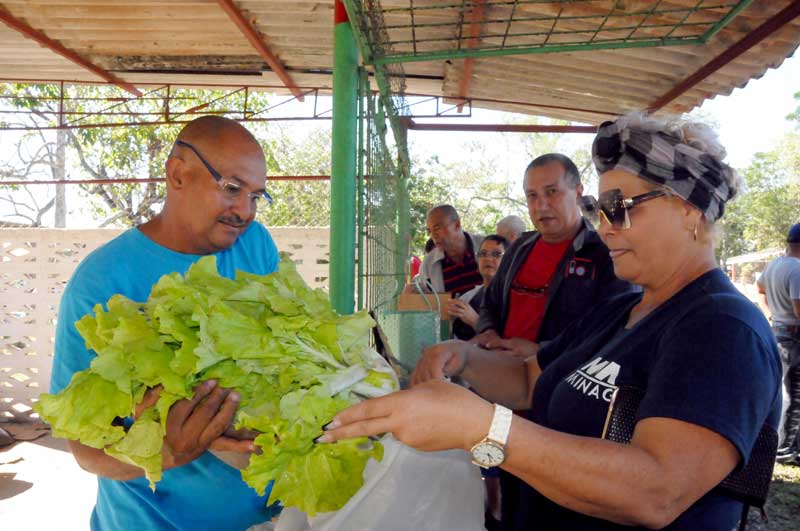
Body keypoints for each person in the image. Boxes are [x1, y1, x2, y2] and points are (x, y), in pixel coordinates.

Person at [320, 113, 782, 531]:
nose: (604, 227)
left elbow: (656, 490)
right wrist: (463, 357)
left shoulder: (722, 328)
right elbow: (528, 380)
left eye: (620, 208)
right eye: (599, 211)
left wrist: (486, 428)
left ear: (690, 210)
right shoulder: (622, 310)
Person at [49, 116, 280, 530]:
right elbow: (85, 451)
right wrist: (169, 450)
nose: (244, 211)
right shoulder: (102, 281)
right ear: (177, 174)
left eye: (256, 196)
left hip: (264, 521)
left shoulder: (256, 245)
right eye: (231, 188)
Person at [474, 153, 632, 529]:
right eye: (531, 196)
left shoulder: (604, 254)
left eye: (551, 192)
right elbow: (490, 301)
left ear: (577, 192)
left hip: (559, 410)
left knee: (551, 507)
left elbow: (610, 330)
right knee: (510, 493)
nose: (540, 205)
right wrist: (487, 332)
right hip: (506, 402)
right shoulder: (520, 248)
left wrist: (541, 350)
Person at [757, 223, 800, 465]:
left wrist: (770, 313)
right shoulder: (797, 270)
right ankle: (784, 449)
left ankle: (780, 444)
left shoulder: (775, 264)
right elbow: (798, 308)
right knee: (793, 395)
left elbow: (760, 288)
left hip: (777, 331)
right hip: (794, 336)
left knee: (779, 391)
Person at [448, 235, 509, 341]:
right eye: (483, 254)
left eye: (496, 254)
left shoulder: (513, 298)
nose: (488, 259)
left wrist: (475, 321)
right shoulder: (469, 297)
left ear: (509, 261)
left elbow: (506, 342)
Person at [413, 204, 483, 296]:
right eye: (430, 231)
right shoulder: (428, 264)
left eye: (437, 228)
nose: (433, 236)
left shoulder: (486, 247)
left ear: (457, 225)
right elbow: (428, 305)